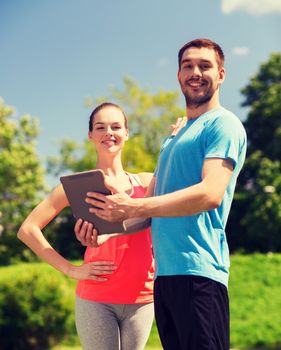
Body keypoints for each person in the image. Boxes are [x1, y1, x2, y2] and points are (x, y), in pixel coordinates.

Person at [82, 39, 247, 350]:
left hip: (199, 274)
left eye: (204, 65)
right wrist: (106, 233)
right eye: (188, 65)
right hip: (165, 279)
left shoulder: (224, 124)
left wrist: (132, 204)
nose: (195, 72)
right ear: (178, 75)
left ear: (221, 74)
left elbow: (210, 193)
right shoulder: (173, 138)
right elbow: (146, 214)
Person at [17, 102, 156, 350]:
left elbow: (164, 212)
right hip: (97, 296)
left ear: (127, 132)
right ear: (91, 135)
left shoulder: (146, 182)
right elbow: (27, 230)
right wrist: (71, 270)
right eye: (100, 127)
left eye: (116, 126)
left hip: (142, 296)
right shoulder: (76, 187)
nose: (108, 132)